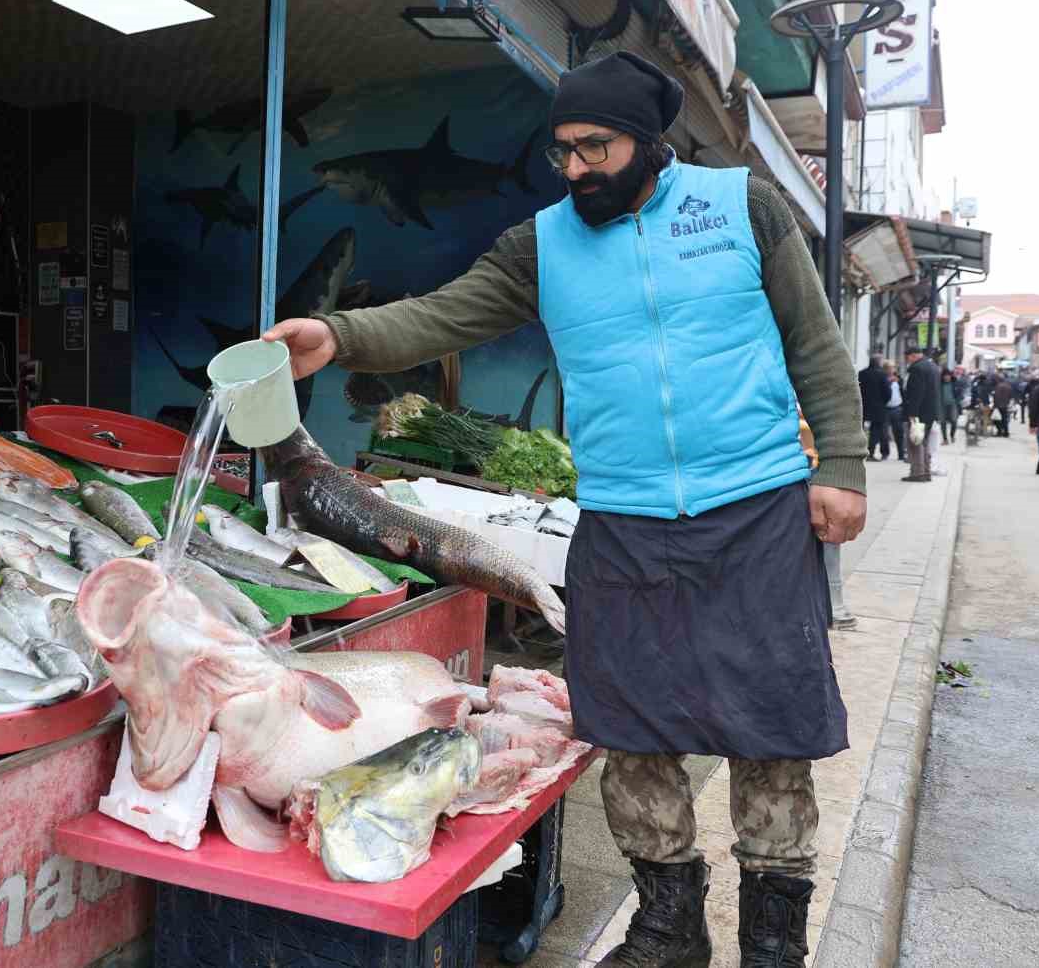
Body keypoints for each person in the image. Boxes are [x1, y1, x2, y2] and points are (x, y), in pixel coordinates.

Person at [264, 51, 866, 968]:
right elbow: (442, 315)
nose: (577, 167)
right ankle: (667, 930)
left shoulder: (743, 206)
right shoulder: (540, 244)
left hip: (755, 507)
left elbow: (814, 340)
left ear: (648, 141)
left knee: (770, 725)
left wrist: (844, 465)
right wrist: (338, 335)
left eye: (596, 147)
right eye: (564, 150)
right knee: (631, 726)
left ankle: (774, 942)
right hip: (622, 521)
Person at [902, 346, 940, 480]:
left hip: (919, 412)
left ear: (912, 355)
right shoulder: (933, 366)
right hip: (930, 411)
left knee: (915, 441)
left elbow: (916, 393)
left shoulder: (917, 369)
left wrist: (912, 413)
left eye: (907, 358)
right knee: (924, 442)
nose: (907, 361)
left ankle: (917, 473)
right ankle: (926, 472)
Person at [858, 352, 892, 460]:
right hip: (879, 407)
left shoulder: (862, 373)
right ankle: (877, 452)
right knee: (878, 431)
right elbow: (887, 392)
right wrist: (884, 402)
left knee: (861, 429)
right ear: (879, 363)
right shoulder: (882, 374)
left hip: (864, 406)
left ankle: (863, 451)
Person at [885, 364, 908, 461]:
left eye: (893, 368)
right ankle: (885, 453)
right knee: (884, 433)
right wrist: (889, 382)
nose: (892, 370)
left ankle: (901, 453)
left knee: (899, 432)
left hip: (897, 408)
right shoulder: (883, 378)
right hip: (886, 408)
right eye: (890, 368)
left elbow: (903, 392)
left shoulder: (899, 379)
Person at [940, 369, 961, 443]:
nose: (946, 377)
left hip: (953, 405)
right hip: (942, 405)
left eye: (948, 375)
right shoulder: (940, 384)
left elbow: (959, 393)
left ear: (950, 376)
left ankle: (952, 436)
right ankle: (945, 439)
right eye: (945, 376)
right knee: (942, 422)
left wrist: (957, 401)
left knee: (954, 421)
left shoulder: (954, 383)